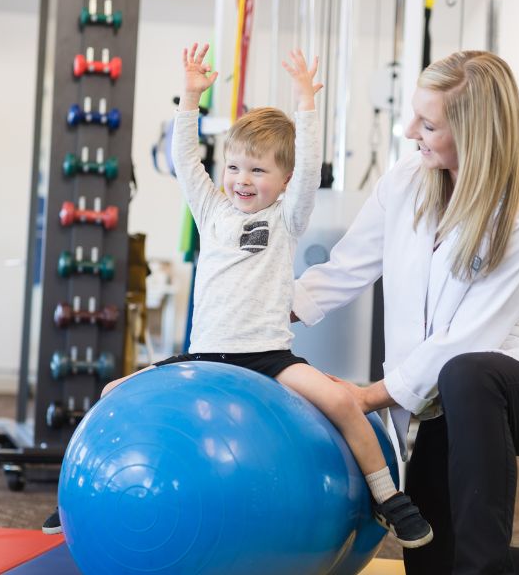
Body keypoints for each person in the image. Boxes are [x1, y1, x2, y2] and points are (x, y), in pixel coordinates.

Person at [43, 42, 433, 548]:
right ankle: (82, 498)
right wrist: (190, 98)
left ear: (284, 181)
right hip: (205, 355)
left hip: (268, 357)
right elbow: (186, 160)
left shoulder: (287, 217)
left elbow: (309, 167)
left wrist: (306, 105)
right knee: (113, 392)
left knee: (342, 400)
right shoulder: (211, 211)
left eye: (258, 171)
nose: (241, 181)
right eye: (234, 168)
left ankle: (389, 499)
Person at [291, 50, 519, 574]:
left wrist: (362, 397)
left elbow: (464, 341)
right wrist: (258, 318)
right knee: (434, 565)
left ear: (474, 133)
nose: (410, 129)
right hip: (443, 394)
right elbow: (344, 269)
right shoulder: (407, 181)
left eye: (428, 123)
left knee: (467, 371)